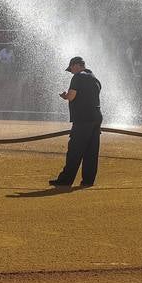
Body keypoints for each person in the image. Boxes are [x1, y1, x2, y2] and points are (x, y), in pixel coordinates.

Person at [50, 56, 102, 187]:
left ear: (76, 65)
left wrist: (65, 96)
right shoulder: (94, 77)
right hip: (96, 117)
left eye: (71, 69)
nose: (71, 72)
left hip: (83, 118)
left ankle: (65, 180)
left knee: (75, 150)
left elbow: (72, 96)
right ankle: (88, 181)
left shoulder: (78, 77)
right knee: (91, 151)